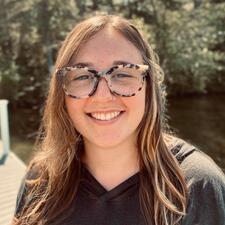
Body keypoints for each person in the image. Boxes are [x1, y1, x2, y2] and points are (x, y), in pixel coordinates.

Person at [12, 14, 225, 225]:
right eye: (82, 76)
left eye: (123, 74)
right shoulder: (42, 180)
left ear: (149, 86)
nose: (103, 96)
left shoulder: (198, 185)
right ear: (62, 93)